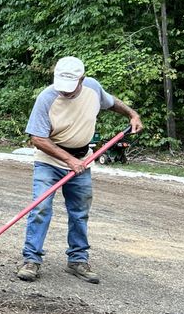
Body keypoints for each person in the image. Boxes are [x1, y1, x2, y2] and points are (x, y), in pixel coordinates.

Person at [16, 56, 142, 284]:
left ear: (82, 79)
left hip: (82, 159)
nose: (64, 92)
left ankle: (77, 260)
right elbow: (38, 138)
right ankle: (31, 260)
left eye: (70, 88)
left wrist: (132, 114)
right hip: (49, 161)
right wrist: (68, 161)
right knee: (41, 208)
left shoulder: (93, 88)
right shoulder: (46, 98)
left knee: (80, 211)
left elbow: (112, 102)